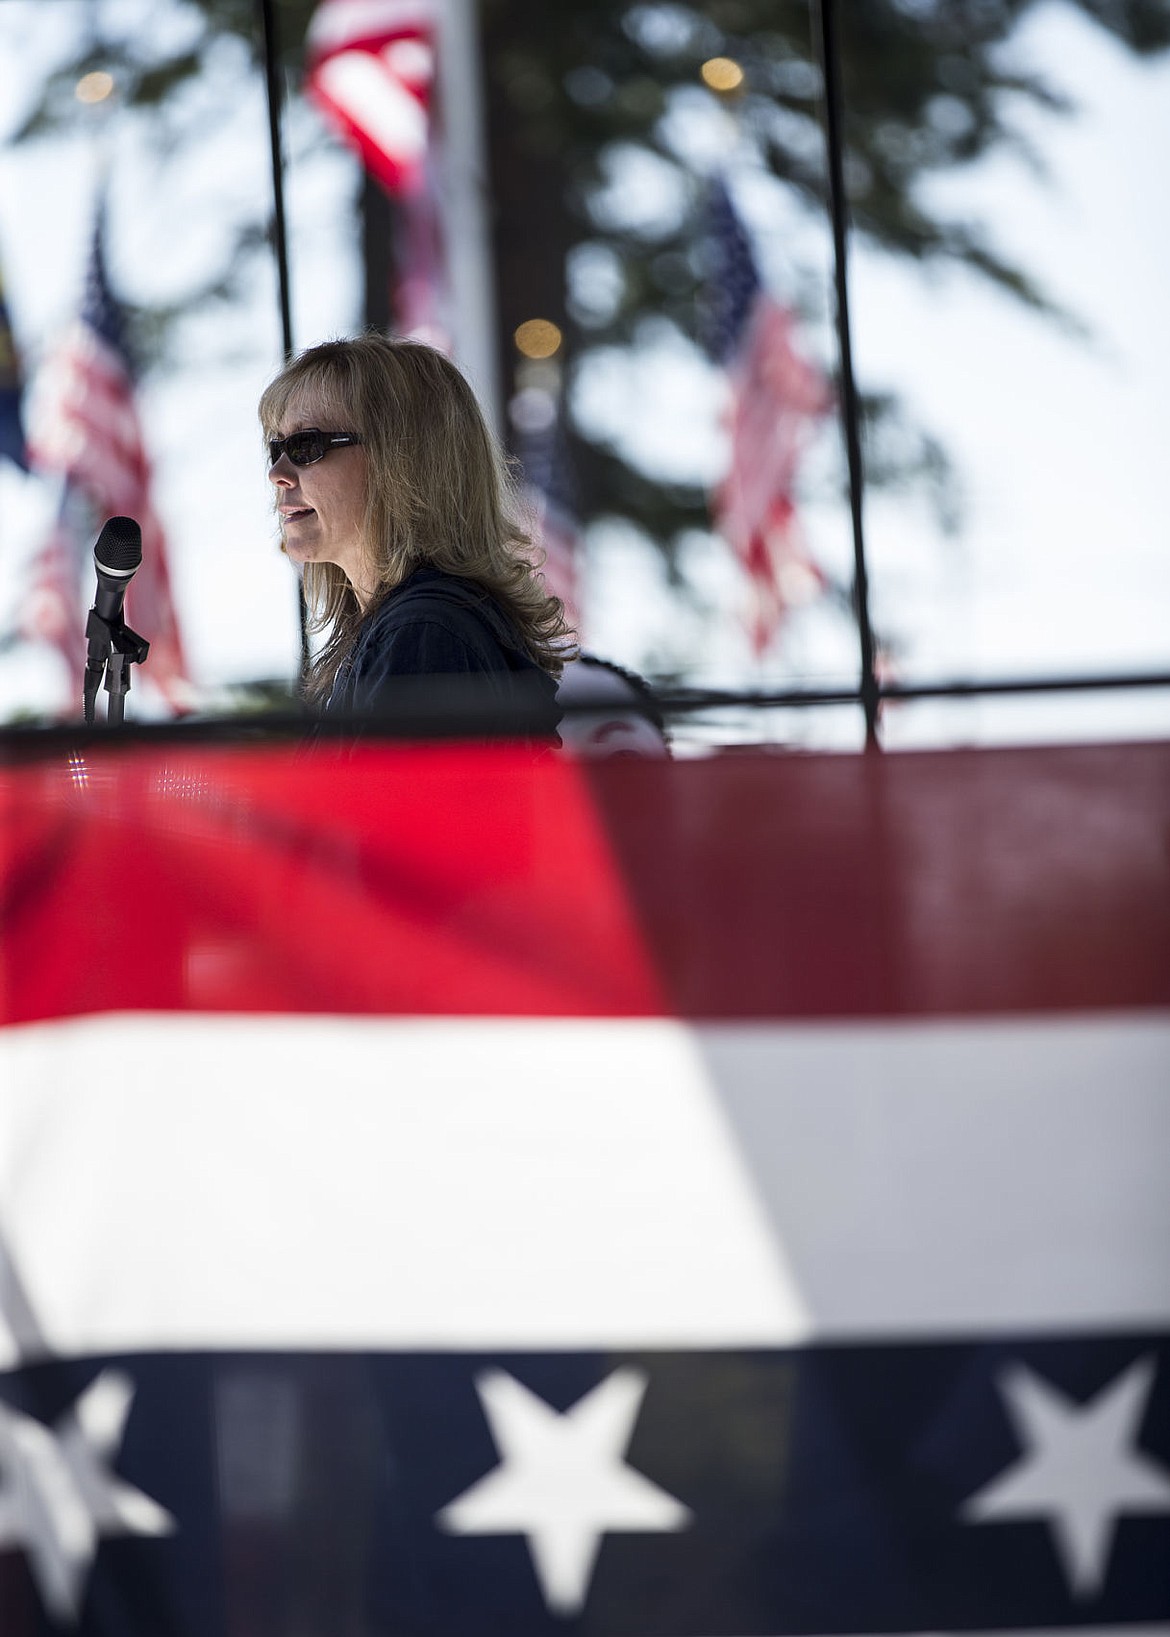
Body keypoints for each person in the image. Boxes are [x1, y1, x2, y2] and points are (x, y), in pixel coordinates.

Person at [260, 334, 572, 729]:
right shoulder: (413, 627)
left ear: (402, 461)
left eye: (306, 445)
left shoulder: (424, 632)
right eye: (277, 448)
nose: (278, 474)